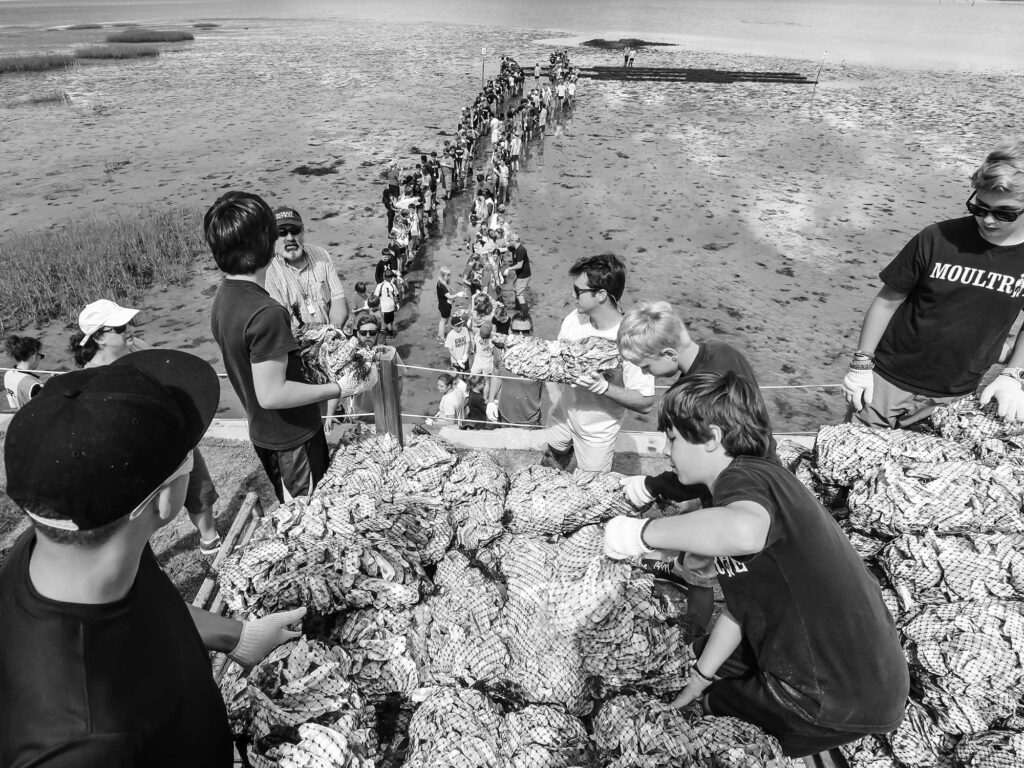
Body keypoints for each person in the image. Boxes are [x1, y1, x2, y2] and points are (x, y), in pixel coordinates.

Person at [0, 349, 304, 768]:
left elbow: (148, 608)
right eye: (189, 454)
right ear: (162, 499)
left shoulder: (81, 545)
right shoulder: (81, 742)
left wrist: (238, 636)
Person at [602, 372, 909, 757]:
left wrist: (642, 533)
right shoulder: (759, 483)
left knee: (708, 716)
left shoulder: (743, 478)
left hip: (830, 692)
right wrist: (700, 676)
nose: (666, 450)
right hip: (867, 683)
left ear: (712, 438)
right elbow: (741, 605)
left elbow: (744, 531)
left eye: (673, 438)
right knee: (692, 671)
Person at [842, 140, 1024, 428]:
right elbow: (888, 300)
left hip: (956, 394)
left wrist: (1012, 375)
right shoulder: (937, 238)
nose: (988, 219)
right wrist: (861, 364)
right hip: (886, 380)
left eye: (1004, 213)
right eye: (980, 207)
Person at [207, 191, 345, 503]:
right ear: (266, 242)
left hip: (264, 431)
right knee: (307, 512)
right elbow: (272, 394)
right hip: (291, 437)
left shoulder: (225, 296)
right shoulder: (266, 312)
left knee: (295, 504)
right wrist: (337, 388)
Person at [70, 298, 223, 555]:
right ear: (99, 338)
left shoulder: (138, 348)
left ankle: (210, 539)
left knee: (198, 487)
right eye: (120, 328)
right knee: (138, 511)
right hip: (136, 452)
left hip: (172, 433)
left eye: (129, 323)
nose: (129, 330)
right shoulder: (90, 377)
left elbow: (168, 371)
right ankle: (141, 557)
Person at [543, 254, 656, 472]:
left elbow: (645, 402)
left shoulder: (630, 339)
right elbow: (555, 360)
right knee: (549, 467)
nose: (572, 295)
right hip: (562, 417)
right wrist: (555, 396)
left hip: (596, 436)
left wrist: (604, 388)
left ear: (601, 295)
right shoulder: (574, 320)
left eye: (578, 291)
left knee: (589, 495)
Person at [264, 206, 350, 331]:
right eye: (281, 232)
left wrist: (332, 333)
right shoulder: (267, 269)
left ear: (302, 232)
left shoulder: (322, 255)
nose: (290, 238)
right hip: (294, 344)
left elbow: (338, 301)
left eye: (295, 230)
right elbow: (279, 321)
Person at [486, 311, 543, 426]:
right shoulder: (499, 351)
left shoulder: (541, 355)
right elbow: (496, 374)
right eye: (516, 331)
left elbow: (553, 391)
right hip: (504, 418)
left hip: (531, 422)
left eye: (525, 332)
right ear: (510, 331)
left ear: (532, 332)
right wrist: (491, 401)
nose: (520, 336)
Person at [347, 313, 403, 423]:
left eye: (372, 333)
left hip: (384, 410)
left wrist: (394, 402)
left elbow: (399, 380)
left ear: (377, 334)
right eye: (363, 333)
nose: (368, 336)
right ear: (358, 334)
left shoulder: (390, 353)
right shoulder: (349, 355)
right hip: (360, 413)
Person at [4, 335, 44, 410]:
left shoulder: (8, 374)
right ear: (34, 356)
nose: (41, 359)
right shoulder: (34, 385)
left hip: (16, 414)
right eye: (41, 356)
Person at [436, 265, 465, 344]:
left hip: (445, 305)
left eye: (449, 275)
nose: (448, 277)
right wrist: (458, 294)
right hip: (444, 306)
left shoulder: (441, 282)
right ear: (442, 276)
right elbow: (449, 296)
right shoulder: (441, 285)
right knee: (443, 322)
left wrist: (450, 288)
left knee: (445, 320)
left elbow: (446, 288)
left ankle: (441, 334)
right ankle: (441, 338)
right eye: (447, 276)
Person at [504, 232, 532, 310]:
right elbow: (504, 249)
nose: (509, 243)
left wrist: (508, 269)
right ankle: (517, 308)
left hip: (523, 276)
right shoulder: (515, 248)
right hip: (520, 275)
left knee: (520, 295)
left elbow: (519, 265)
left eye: (509, 241)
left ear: (513, 241)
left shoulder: (521, 250)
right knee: (516, 290)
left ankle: (524, 313)